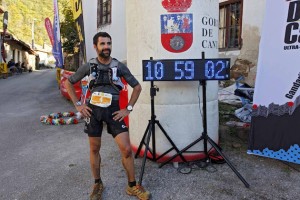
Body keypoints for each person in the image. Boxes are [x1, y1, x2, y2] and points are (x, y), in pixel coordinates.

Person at [65, 32, 150, 200]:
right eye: (102, 44)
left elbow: (137, 87)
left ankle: (132, 186)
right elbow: (69, 82)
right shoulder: (88, 66)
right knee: (94, 149)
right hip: (93, 111)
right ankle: (97, 184)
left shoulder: (119, 66)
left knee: (126, 149)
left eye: (109, 43)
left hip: (114, 111)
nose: (106, 47)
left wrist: (128, 108)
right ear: (95, 46)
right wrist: (78, 105)